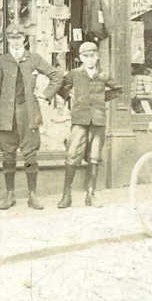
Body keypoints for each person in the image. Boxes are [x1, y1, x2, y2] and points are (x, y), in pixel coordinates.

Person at [0, 27, 64, 211]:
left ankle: (32, 195)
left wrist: (46, 95)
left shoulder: (33, 58)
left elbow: (56, 76)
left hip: (28, 112)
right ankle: (9, 195)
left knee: (30, 154)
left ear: (24, 39)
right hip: (6, 114)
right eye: (12, 37)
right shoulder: (2, 61)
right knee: (8, 154)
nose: (15, 41)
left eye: (19, 37)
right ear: (7, 40)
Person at [43, 40, 120, 208]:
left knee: (94, 157)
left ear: (97, 57)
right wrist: (71, 98)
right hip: (79, 120)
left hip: (98, 121)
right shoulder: (74, 74)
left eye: (92, 56)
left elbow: (118, 90)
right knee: (72, 155)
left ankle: (91, 194)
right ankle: (66, 195)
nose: (90, 60)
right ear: (81, 58)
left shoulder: (103, 75)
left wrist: (101, 99)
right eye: (86, 57)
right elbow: (62, 87)